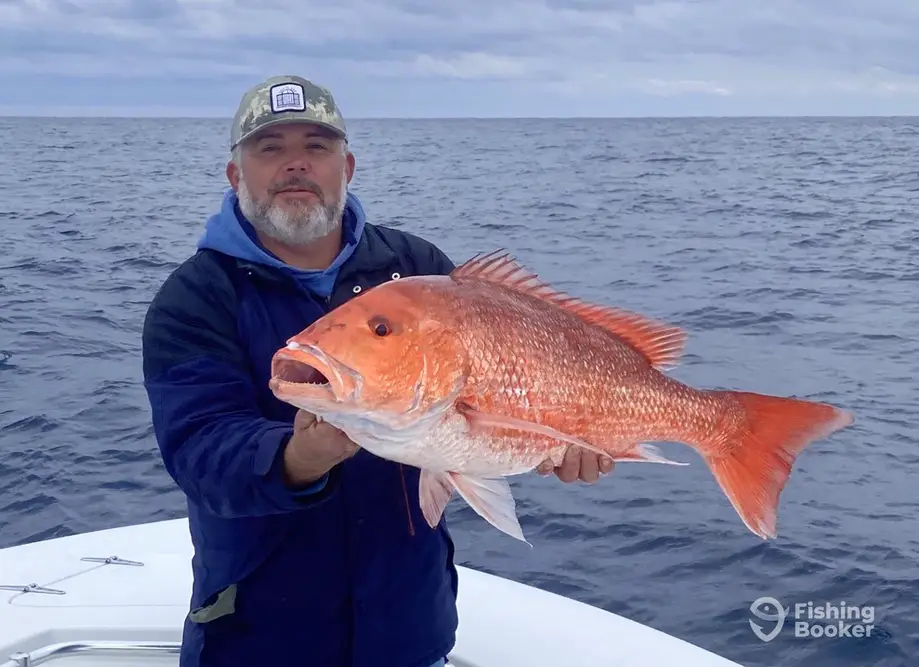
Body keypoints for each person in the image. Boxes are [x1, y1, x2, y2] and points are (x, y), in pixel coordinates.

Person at [141, 74, 615, 667]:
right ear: (236, 175)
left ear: (348, 167)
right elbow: (199, 450)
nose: (296, 165)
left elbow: (483, 412)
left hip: (409, 631)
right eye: (271, 148)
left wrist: (548, 446)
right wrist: (298, 457)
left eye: (316, 147)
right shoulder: (194, 298)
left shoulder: (417, 268)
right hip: (257, 637)